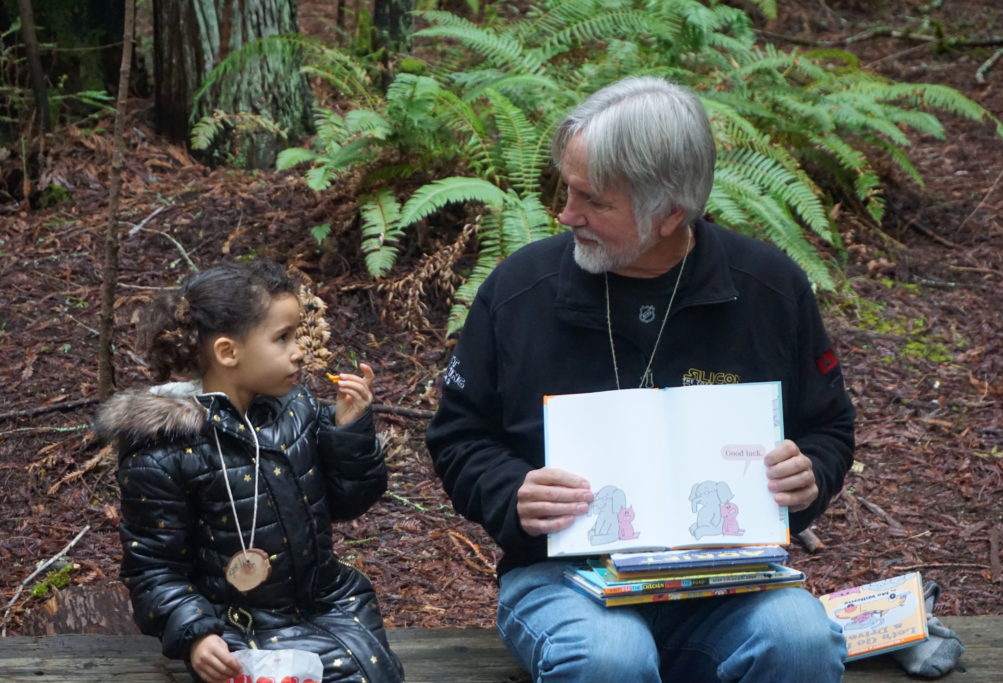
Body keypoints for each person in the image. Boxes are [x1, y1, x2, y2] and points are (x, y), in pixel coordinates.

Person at [426, 76, 855, 682]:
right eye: (566, 188)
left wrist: (807, 474)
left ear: (669, 213)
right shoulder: (519, 292)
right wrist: (512, 492)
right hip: (566, 576)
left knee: (803, 640)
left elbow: (829, 426)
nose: (564, 213)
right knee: (611, 657)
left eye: (593, 201)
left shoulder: (769, 287)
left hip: (727, 581)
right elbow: (458, 435)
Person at [95, 261, 403, 683]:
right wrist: (197, 635)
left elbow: (349, 502)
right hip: (236, 631)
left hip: (333, 605)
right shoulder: (164, 450)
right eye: (283, 338)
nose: (299, 351)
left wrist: (348, 430)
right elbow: (153, 568)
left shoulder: (297, 411)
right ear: (228, 352)